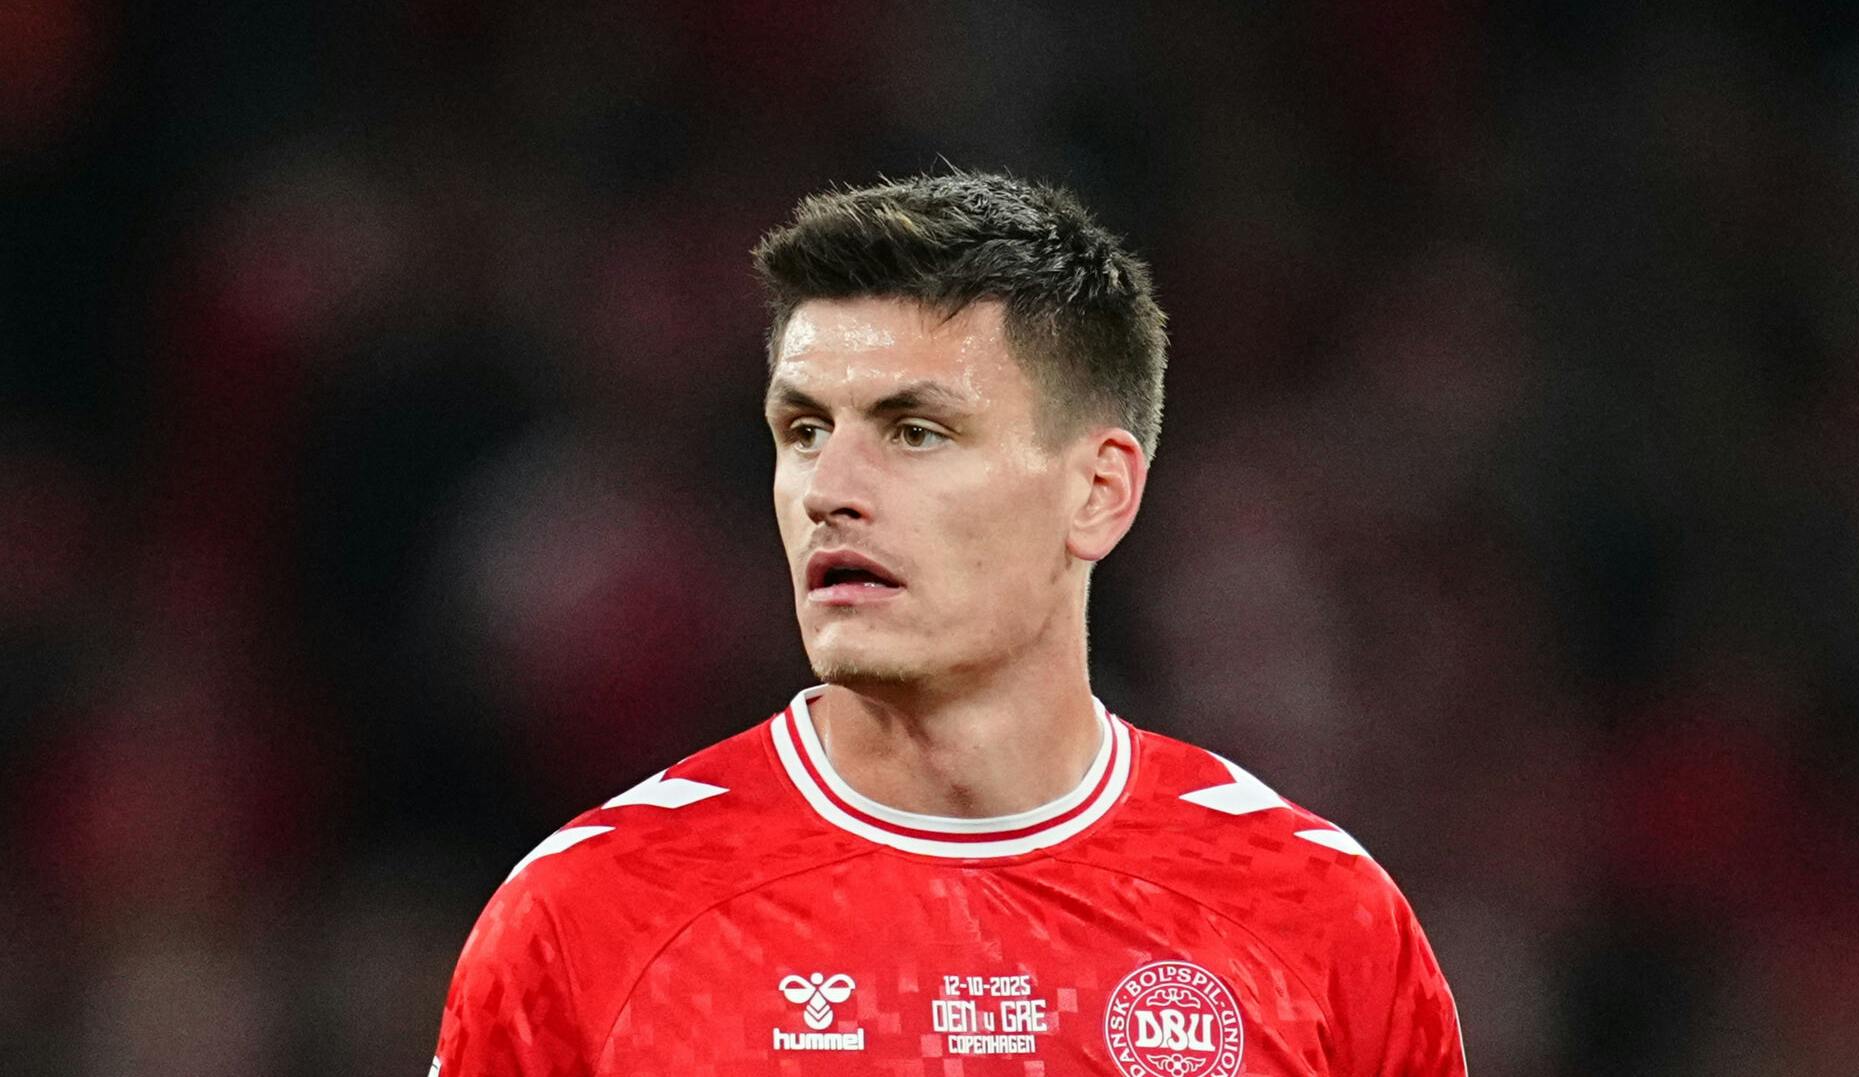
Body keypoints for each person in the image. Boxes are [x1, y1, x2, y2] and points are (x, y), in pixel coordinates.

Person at [429, 172, 1467, 1076]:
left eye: (916, 432)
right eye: (803, 431)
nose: (831, 489)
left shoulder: (1320, 920)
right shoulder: (591, 919)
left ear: (1100, 492)